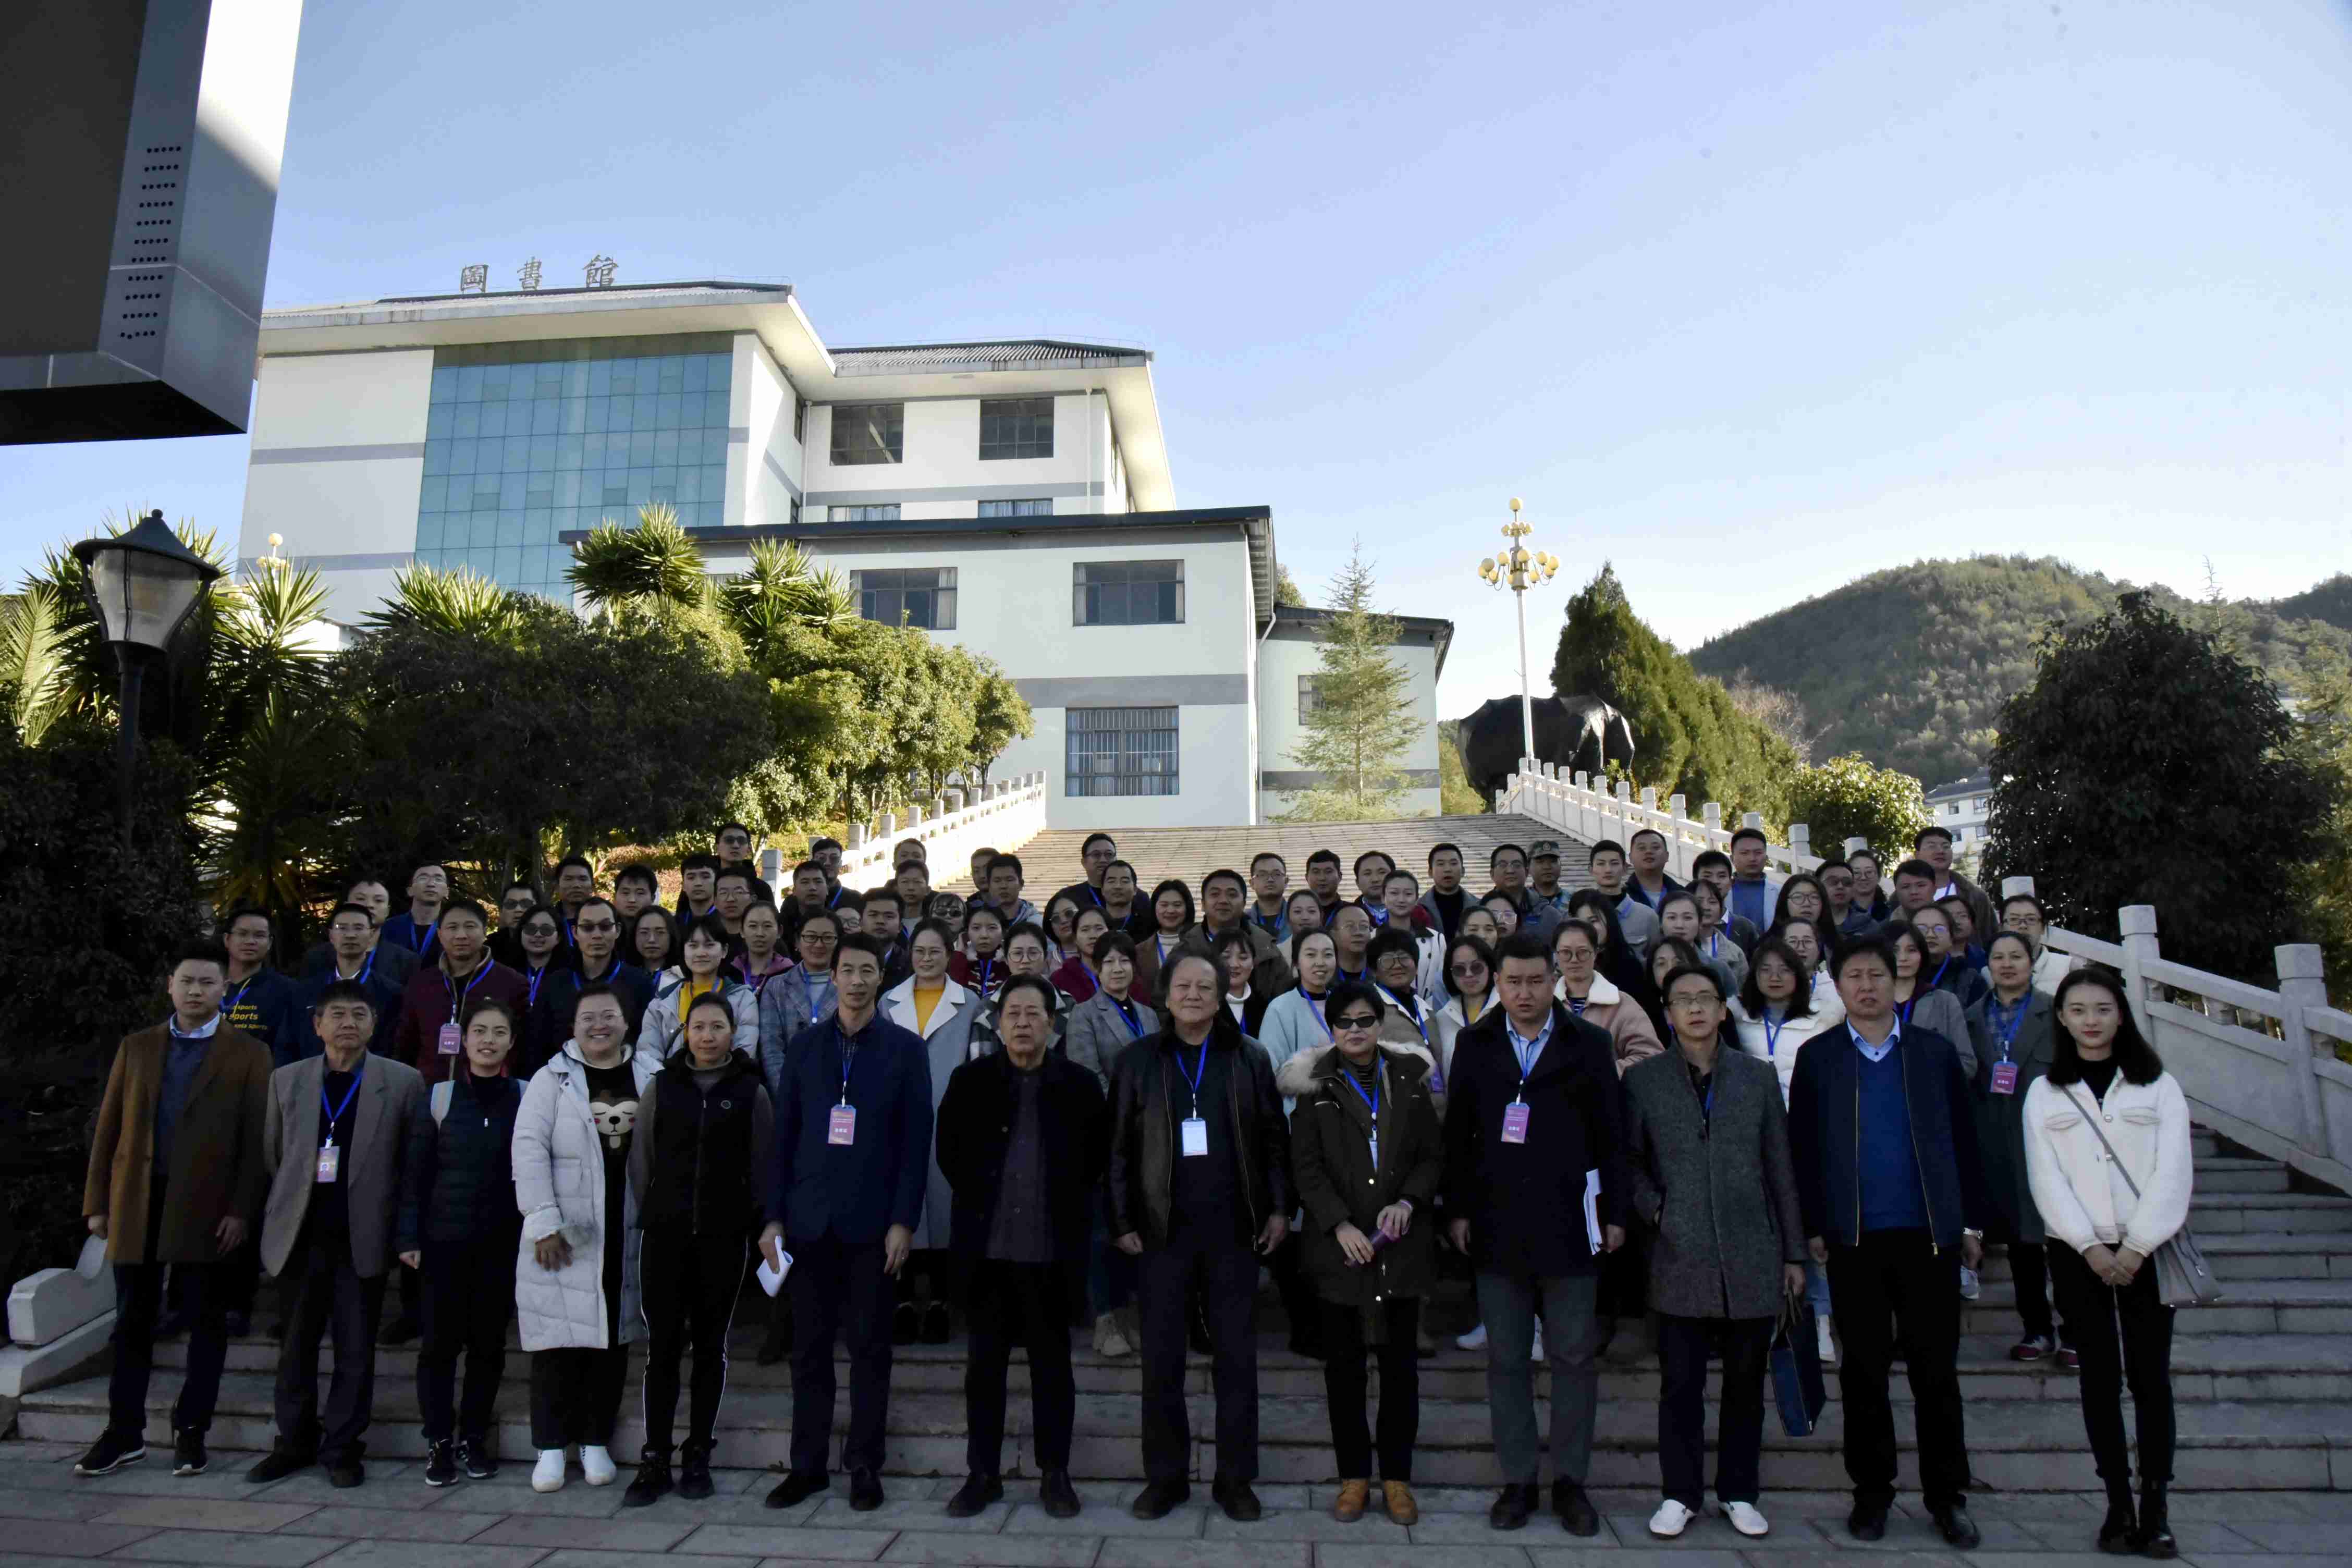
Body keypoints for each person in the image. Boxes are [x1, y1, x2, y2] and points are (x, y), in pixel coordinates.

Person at [1786, 938, 1988, 1548]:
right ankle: (1871, 1493)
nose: (1867, 985)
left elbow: (1964, 1138)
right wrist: (1813, 1225)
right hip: (1854, 1239)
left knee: (1936, 1372)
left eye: (1876, 973)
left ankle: (1947, 1496)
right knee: (1864, 1371)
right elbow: (1803, 1149)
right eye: (1854, 975)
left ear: (1895, 981)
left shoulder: (1932, 1051)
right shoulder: (1819, 1057)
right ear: (1838, 985)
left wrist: (1970, 1222)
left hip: (1929, 1237)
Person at [1443, 932, 1626, 1534]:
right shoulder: (1475, 1043)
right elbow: (1459, 1133)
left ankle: (1571, 1480)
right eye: (1513, 981)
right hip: (1497, 1222)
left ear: (1555, 980)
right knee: (1507, 1357)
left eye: (1535, 980)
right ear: (1497, 982)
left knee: (1573, 1355)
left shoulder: (1590, 1042)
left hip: (1571, 1222)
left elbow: (1612, 1132)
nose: (1524, 993)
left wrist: (1616, 1213)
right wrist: (1458, 1209)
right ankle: (1518, 1479)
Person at [74, 942, 271, 1480]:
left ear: (224, 989)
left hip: (208, 1206)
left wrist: (242, 1209)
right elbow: (109, 1127)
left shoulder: (249, 1053)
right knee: (131, 1321)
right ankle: (124, 1432)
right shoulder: (137, 1047)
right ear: (170, 986)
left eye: (207, 982)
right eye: (187, 981)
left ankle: (192, 1430)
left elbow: (256, 1140)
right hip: (136, 1199)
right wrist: (97, 1203)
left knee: (206, 1322)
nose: (195, 991)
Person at [1624, 964, 1806, 1539]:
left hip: (1752, 1250)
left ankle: (1739, 1491)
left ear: (1724, 1010)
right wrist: (1657, 1210)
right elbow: (1629, 1161)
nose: (1697, 1008)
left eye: (1706, 998)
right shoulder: (1645, 1080)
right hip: (1679, 1252)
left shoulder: (1756, 1076)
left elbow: (1781, 1167)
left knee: (1746, 1384)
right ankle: (1679, 1493)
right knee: (1680, 1384)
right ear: (1668, 1013)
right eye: (1684, 1000)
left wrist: (1794, 1253)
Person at [1108, 953, 1292, 1523]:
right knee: (1161, 1362)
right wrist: (1121, 1220)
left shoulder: (1249, 1056)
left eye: (1204, 986)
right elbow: (1117, 1148)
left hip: (1234, 1232)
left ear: (1221, 995)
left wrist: (1280, 1209)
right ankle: (1165, 1478)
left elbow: (1274, 1139)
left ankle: (1235, 1480)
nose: (1193, 995)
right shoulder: (1138, 1059)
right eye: (1183, 985)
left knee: (1237, 1361)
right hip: (1161, 1234)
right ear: (1166, 995)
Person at [2023, 970, 2192, 1558]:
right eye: (2078, 1010)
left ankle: (2157, 1506)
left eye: (2102, 1008)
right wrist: (2089, 1245)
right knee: (2098, 1379)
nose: (2091, 1020)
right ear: (2062, 1019)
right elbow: (2046, 1177)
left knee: (2151, 1379)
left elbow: (2174, 1171)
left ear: (2121, 1014)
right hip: (2078, 1254)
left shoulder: (2159, 1086)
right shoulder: (2045, 1092)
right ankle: (2118, 1503)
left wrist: (2138, 1244)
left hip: (2150, 1251)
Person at [764, 935, 935, 1513]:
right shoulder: (805, 1047)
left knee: (870, 1351)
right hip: (809, 1223)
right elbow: (784, 1137)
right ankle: (807, 1467)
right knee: (809, 1353)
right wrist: (773, 1217)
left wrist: (904, 1221)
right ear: (832, 976)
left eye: (867, 971)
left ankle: (865, 1465)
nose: (857, 981)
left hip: (873, 1226)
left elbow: (915, 1143)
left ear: (880, 979)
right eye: (848, 970)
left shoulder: (905, 1049)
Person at [936, 974, 1111, 1521]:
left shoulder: (1080, 1086)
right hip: (987, 1253)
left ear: (1052, 1024)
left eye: (1034, 1013)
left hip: (1051, 1252)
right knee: (983, 1371)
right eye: (1013, 1013)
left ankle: (1055, 1474)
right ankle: (982, 1474)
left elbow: (1096, 1159)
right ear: (998, 1022)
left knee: (1052, 1370)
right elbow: (949, 1152)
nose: (1022, 1023)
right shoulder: (970, 1081)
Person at [248, 978, 426, 1487]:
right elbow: (274, 1155)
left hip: (362, 1235)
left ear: (374, 1024)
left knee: (355, 1350)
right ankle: (293, 1441)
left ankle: (343, 1447)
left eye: (359, 1014)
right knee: (295, 1348)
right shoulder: (287, 1080)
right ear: (317, 1024)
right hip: (300, 1235)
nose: (348, 1023)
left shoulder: (403, 1082)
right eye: (338, 1014)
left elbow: (410, 1165)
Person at [1290, 979, 1443, 1526]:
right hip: (1341, 1252)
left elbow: (1431, 1155)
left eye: (1365, 1020)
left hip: (1400, 1247)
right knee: (1345, 1371)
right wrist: (1337, 1223)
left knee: (1401, 1371)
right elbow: (1305, 1166)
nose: (1355, 1030)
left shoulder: (1409, 1077)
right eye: (1344, 1021)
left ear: (1380, 1023)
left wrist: (1409, 1200)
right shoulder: (1314, 1086)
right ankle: (1354, 1477)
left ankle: (1397, 1479)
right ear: (1331, 1028)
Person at [623, 991, 776, 1507]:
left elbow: (762, 1164)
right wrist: (658, 1209)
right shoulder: (662, 1086)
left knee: (711, 1345)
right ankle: (655, 1457)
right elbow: (641, 1161)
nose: (707, 1036)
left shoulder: (751, 1091)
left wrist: (754, 1221)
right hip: (664, 1236)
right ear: (684, 1033)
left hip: (723, 1237)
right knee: (663, 1347)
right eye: (698, 1027)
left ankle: (698, 1455)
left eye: (717, 1027)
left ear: (733, 1033)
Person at [512, 981, 655, 1493]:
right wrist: (543, 1223)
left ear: (626, 1022)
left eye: (608, 1015)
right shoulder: (550, 1079)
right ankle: (551, 1445)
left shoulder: (651, 1073)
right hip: (566, 1233)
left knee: (612, 1340)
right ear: (573, 1027)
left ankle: (596, 1439)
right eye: (588, 1017)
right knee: (556, 1342)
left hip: (627, 1228)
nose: (599, 1025)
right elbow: (528, 1149)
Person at [396, 995, 526, 1488]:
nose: (489, 1041)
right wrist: (408, 1236)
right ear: (464, 1040)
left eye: (499, 1033)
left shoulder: (527, 1095)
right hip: (443, 1244)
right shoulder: (440, 1097)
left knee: (488, 1347)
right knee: (439, 1348)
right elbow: (415, 1174)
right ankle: (438, 1440)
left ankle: (474, 1437)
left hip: (501, 1245)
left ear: (511, 1042)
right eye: (480, 1032)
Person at [1732, 937, 1843, 1366]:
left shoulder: (1822, 1019)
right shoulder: (1737, 1017)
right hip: (1751, 1138)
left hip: (1804, 1135)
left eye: (1784, 969)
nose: (1775, 977)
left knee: (1807, 1229)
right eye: (1766, 970)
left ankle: (1819, 1320)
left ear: (1799, 976)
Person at [1968, 933, 2071, 1366]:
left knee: (2063, 1240)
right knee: (2021, 1243)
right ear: (1988, 964)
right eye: (1998, 957)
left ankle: (2075, 1331)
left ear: (2032, 963)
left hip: (2051, 1140)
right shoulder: (1972, 1016)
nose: (2007, 964)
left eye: (2016, 956)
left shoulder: (2057, 1011)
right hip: (1997, 1143)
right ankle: (2037, 1329)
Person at [888, 919, 985, 1346]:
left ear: (950, 954)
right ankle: (905, 1302)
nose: (926, 959)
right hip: (901, 1116)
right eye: (919, 951)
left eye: (935, 951)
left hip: (952, 1118)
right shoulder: (889, 1002)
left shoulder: (970, 1002)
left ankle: (942, 1303)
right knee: (906, 1207)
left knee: (944, 1209)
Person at [395, 899, 528, 1088]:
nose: (461, 935)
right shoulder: (422, 983)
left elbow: (521, 1049)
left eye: (470, 927)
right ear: (440, 934)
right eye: (452, 927)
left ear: (485, 932)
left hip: (487, 1093)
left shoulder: (512, 983)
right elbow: (406, 1045)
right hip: (428, 1093)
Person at [530, 897, 653, 1076]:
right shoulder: (554, 983)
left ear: (618, 930)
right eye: (588, 928)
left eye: (605, 927)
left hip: (625, 1078)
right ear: (575, 932)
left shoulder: (640, 983)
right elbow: (536, 1044)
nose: (597, 935)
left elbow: (647, 1043)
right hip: (562, 1078)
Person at [638, 913, 761, 1062]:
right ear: (684, 950)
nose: (701, 953)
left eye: (709, 945)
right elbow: (648, 1056)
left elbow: (744, 1054)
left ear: (724, 951)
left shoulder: (744, 1000)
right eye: (693, 946)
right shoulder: (662, 1001)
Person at [296, 901, 406, 1060]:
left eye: (359, 928)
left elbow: (393, 1047)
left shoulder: (391, 992)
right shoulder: (305, 990)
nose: (351, 935)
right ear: (331, 936)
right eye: (342, 928)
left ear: (372, 935)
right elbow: (289, 1043)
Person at [1552, 919, 1664, 1073]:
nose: (1574, 960)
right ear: (1556, 956)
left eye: (1582, 952)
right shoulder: (1545, 1005)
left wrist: (1605, 1073)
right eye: (1566, 953)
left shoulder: (1621, 1004)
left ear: (1595, 953)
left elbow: (1652, 1056)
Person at [1181, 868, 1292, 997]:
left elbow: (1285, 999)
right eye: (1215, 894)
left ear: (1244, 903)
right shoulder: (1184, 948)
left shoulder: (1267, 949)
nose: (1223, 901)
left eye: (1232, 895)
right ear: (1203, 904)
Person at [1065, 933, 1155, 1089]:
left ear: (1133, 967)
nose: (1118, 969)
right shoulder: (1083, 1014)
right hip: (1110, 1102)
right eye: (1109, 962)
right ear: (1097, 967)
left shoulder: (1149, 1014)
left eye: (1124, 961)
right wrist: (1120, 1102)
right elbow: (1086, 1074)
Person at [1885, 923, 1975, 1074]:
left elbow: (1968, 1064)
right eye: (1894, 951)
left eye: (1912, 950)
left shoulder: (1946, 1001)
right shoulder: (1868, 1000)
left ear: (1922, 955)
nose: (1903, 958)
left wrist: (1926, 1070)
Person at [220, 906, 304, 1068]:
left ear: (270, 943)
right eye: (242, 934)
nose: (250, 941)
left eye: (259, 935)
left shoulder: (288, 990)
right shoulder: (208, 984)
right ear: (227, 939)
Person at [301, 879, 420, 991]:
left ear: (387, 911)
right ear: (346, 906)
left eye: (379, 901)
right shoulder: (316, 957)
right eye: (361, 899)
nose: (370, 905)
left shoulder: (407, 961)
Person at [1259, 928, 1341, 1071]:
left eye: (1328, 955)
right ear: (1296, 963)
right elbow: (1271, 1067)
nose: (1320, 962)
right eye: (1311, 955)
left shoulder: (1344, 1003)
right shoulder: (1280, 1008)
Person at [1431, 934, 1497, 1091]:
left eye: (1477, 967)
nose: (1469, 974)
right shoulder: (1441, 1018)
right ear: (1450, 974)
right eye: (1459, 969)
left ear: (1490, 967)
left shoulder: (1509, 1011)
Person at [1659, 890, 1746, 998]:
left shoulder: (1719, 969)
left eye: (1688, 918)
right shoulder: (1647, 967)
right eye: (1672, 918)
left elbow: (1733, 1006)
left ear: (1700, 923)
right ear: (1661, 923)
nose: (1679, 925)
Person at [1583, 841, 1661, 961]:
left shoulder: (1648, 916)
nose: (1608, 870)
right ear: (1591, 869)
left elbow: (1655, 961)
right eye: (1601, 864)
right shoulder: (1582, 915)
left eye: (1614, 863)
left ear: (1625, 869)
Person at [1914, 827, 1995, 941]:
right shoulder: (1904, 896)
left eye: (1946, 846)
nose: (1940, 851)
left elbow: (1991, 938)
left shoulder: (1976, 896)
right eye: (1932, 846)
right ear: (1917, 855)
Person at [508, 903, 579, 1027]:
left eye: (546, 930)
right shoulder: (507, 972)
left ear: (559, 937)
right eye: (531, 929)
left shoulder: (571, 975)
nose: (538, 935)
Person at [1909, 903, 1990, 1012]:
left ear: (1951, 938)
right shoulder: (1899, 974)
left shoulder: (1970, 978)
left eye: (1939, 929)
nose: (1930, 935)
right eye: (1922, 929)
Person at [1379, 869, 1446, 996]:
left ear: (1416, 899)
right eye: (1394, 893)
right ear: (1383, 898)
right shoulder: (1372, 938)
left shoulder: (1436, 940)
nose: (1401, 900)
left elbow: (1441, 983)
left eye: (1408, 894)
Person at [2003, 892, 2081, 994]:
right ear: (2002, 927)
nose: (2023, 926)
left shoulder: (2068, 968)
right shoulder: (1989, 973)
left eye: (2031, 919)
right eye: (2014, 919)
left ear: (2043, 928)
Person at [1133, 878, 1196, 999]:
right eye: (1164, 905)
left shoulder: (1201, 945)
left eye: (1177, 905)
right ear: (1154, 907)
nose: (1171, 911)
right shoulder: (1139, 952)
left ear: (1187, 908)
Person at [379, 863, 451, 966]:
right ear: (410, 891)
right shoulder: (388, 928)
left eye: (439, 879)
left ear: (447, 892)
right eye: (423, 878)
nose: (431, 884)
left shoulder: (453, 930)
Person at [1485, 843, 1558, 944]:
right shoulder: (1479, 911)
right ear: (1492, 874)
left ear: (1527, 872)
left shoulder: (1549, 916)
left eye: (1517, 865)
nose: (1510, 871)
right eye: (1502, 865)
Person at [1212, 928, 1273, 1036]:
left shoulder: (1265, 1007)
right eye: (1226, 957)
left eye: (1243, 958)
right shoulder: (1205, 1003)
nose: (1234, 965)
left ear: (1253, 963)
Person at [1724, 827, 1780, 939]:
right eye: (1744, 853)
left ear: (1766, 858)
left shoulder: (1780, 893)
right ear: (1732, 858)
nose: (1752, 859)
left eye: (1758, 853)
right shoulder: (1721, 893)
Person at [1050, 906, 1113, 1002]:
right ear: (1075, 938)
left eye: (1099, 928)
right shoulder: (1060, 979)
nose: (1093, 936)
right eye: (1085, 930)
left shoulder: (1124, 973)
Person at [731, 900, 793, 994]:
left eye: (767, 926)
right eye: (753, 926)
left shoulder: (790, 974)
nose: (760, 933)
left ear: (780, 932)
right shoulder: (730, 972)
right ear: (742, 931)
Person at [1051, 831, 1121, 914]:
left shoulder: (1131, 895)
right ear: (1084, 862)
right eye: (1096, 855)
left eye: (1109, 854)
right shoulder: (1067, 897)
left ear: (1116, 860)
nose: (1103, 860)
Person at [951, 904, 1008, 994]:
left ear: (1003, 933)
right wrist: (960, 954)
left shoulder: (1011, 962)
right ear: (967, 933)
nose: (984, 935)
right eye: (976, 928)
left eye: (992, 928)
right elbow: (953, 992)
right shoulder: (958, 961)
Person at [1418, 843, 1471, 938]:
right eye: (1441, 864)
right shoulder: (1419, 908)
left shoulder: (1478, 905)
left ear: (1463, 871)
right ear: (1430, 872)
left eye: (1453, 864)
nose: (1448, 869)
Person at [1624, 829, 1681, 910]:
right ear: (1630, 858)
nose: (1649, 851)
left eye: (1655, 847)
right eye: (1642, 848)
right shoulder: (1620, 897)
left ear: (1667, 856)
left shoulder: (1684, 894)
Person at [984, 853, 1040, 929]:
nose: (1004, 886)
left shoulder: (1037, 924)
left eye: (1009, 880)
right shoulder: (978, 922)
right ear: (989, 886)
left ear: (1021, 884)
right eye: (997, 881)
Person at [1246, 851, 1291, 944]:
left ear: (1286, 881)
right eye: (1262, 875)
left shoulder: (1299, 918)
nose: (1270, 879)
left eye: (1277, 874)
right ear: (1252, 883)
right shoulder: (1242, 922)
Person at [1821, 862, 1875, 938]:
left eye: (1847, 883)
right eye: (1833, 882)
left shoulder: (1869, 926)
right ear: (1818, 886)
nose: (1840, 886)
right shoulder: (1810, 922)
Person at [1330, 902, 1376, 984]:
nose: (1358, 932)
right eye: (1350, 926)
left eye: (1364, 926)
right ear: (1333, 934)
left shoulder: (1382, 974)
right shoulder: (1324, 977)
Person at [675, 852, 722, 922]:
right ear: (683, 886)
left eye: (705, 877)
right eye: (691, 878)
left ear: (717, 883)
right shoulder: (674, 924)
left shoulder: (728, 921)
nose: (698, 883)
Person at [1846, 849, 1891, 922]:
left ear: (1879, 877)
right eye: (1857, 873)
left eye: (1869, 872)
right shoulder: (1839, 913)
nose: (1863, 878)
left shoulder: (1889, 915)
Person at [1305, 849, 1346, 927]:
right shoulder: (1296, 913)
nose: (1322, 878)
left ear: (1340, 876)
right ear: (1307, 877)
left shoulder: (1351, 911)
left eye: (1328, 872)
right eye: (1316, 872)